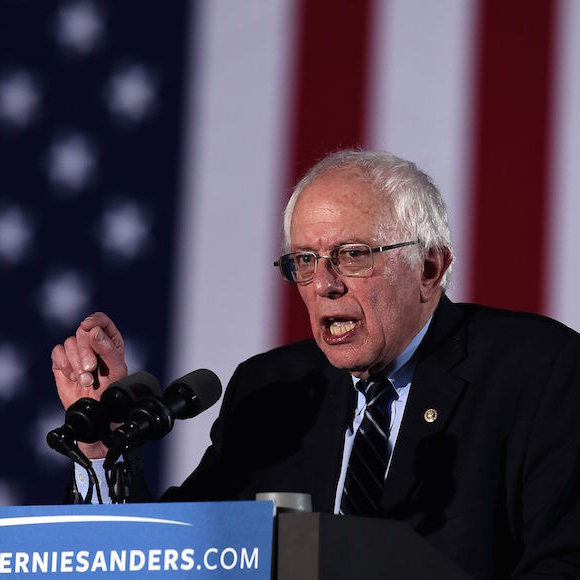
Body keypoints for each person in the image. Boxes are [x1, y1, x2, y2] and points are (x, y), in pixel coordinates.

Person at [50, 149, 580, 579]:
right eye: (305, 261)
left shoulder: (539, 370)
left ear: (429, 266)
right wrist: (101, 447)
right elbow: (177, 555)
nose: (324, 285)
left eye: (353, 255)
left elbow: (564, 562)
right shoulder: (274, 390)